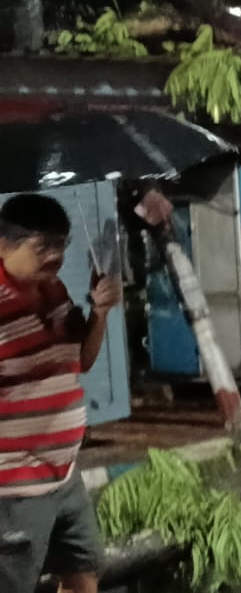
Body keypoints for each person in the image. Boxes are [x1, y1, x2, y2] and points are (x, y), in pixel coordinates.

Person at [0, 194, 121, 593]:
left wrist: (99, 314)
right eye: (43, 246)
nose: (56, 256)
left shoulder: (54, 291)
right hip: (15, 487)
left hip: (65, 474)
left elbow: (81, 360)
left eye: (61, 244)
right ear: (4, 245)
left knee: (85, 568)